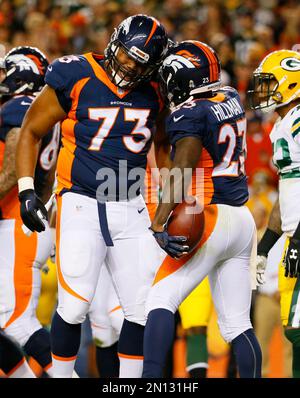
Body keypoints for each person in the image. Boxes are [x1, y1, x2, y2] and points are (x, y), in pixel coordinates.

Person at [15, 14, 169, 378]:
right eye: (128, 55)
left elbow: (164, 147)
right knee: (74, 304)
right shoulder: (77, 73)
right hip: (80, 201)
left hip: (131, 206)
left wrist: (172, 201)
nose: (130, 67)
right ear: (114, 43)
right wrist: (27, 190)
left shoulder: (156, 90)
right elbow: (31, 130)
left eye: (140, 63)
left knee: (141, 309)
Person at [142, 40, 262, 378]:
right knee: (237, 324)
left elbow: (182, 168)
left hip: (209, 216)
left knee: (160, 300)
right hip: (241, 218)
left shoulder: (188, 113)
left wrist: (159, 222)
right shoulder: (231, 98)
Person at [0, 46, 59, 377]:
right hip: (29, 225)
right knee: (6, 320)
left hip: (15, 225)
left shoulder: (19, 108)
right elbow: (47, 181)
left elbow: (11, 173)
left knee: (16, 319)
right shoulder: (46, 110)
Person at [248, 49, 300, 378]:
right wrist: (266, 246)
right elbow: (288, 196)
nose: (263, 90)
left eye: (269, 83)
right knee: (294, 328)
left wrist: (298, 241)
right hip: (294, 236)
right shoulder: (284, 123)